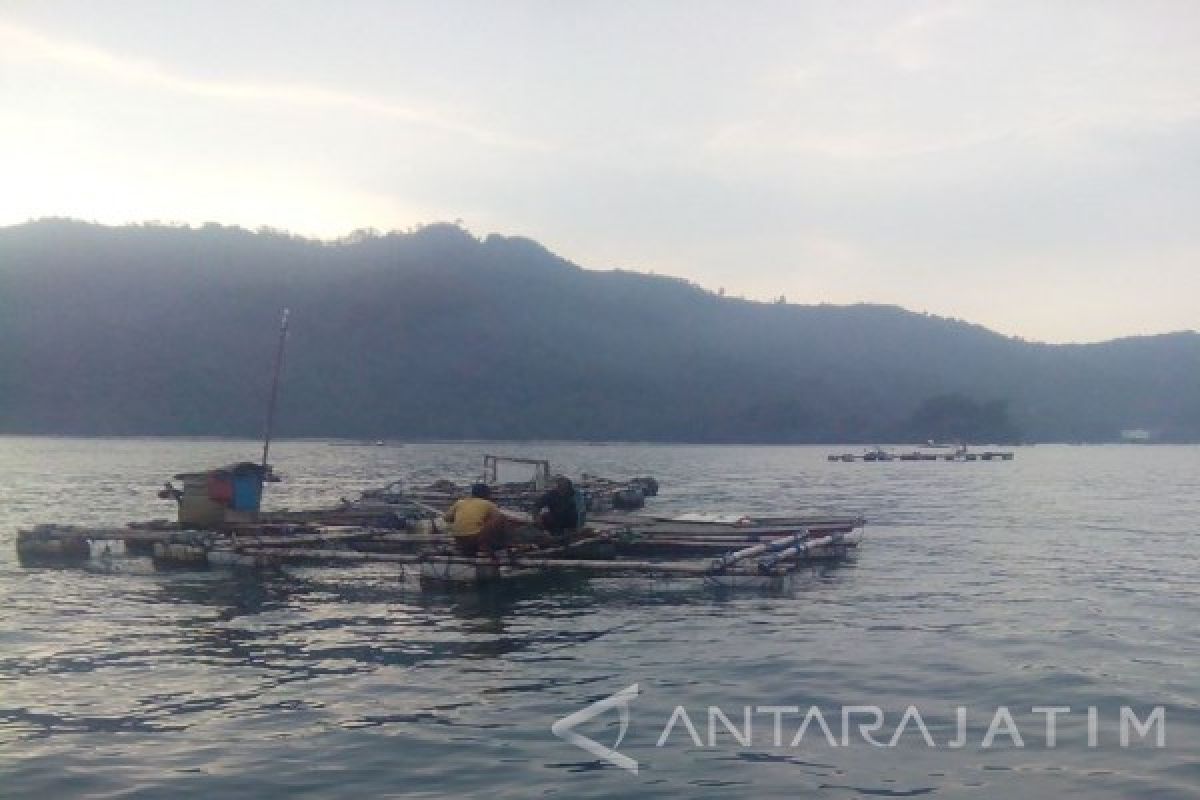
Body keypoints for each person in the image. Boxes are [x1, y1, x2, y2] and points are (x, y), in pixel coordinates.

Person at [444, 483, 508, 557]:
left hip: (459, 540)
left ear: (472, 493)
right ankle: (487, 546)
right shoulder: (489, 504)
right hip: (475, 539)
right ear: (487, 494)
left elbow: (447, 518)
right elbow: (497, 517)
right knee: (501, 518)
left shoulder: (460, 502)